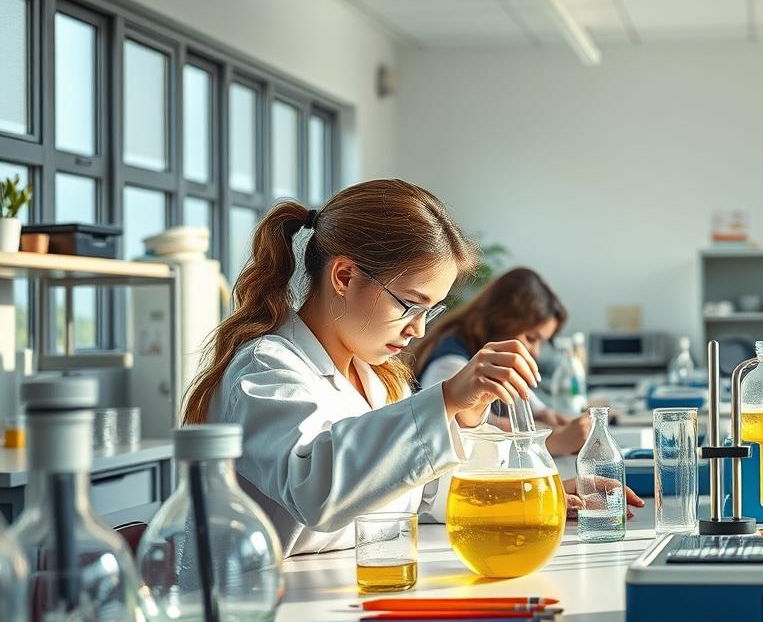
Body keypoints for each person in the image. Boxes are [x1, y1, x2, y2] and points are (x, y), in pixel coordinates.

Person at [183, 179, 639, 556]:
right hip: (259, 608)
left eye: (432, 311)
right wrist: (445, 399)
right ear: (343, 276)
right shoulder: (265, 368)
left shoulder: (376, 379)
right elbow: (315, 488)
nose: (418, 330)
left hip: (344, 591)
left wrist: (538, 495)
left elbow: (426, 495)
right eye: (410, 304)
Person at [414, 268, 590, 456]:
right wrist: (556, 442)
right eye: (531, 338)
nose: (536, 351)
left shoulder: (495, 361)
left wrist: (547, 417)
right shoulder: (449, 364)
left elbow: (534, 409)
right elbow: (467, 434)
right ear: (501, 320)